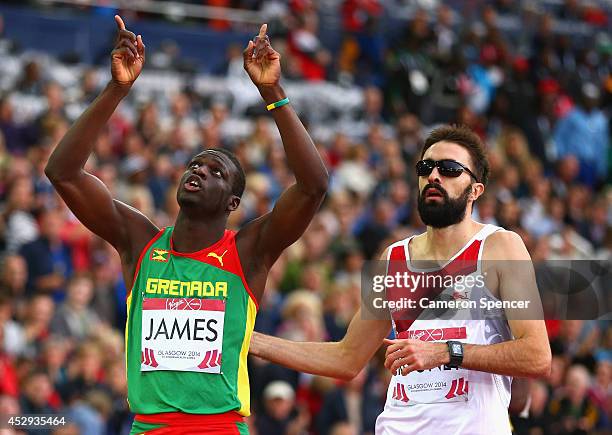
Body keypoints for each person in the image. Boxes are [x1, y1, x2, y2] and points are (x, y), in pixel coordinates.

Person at [44, 16, 328, 435]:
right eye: (195, 164)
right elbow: (63, 173)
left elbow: (313, 185)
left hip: (220, 427)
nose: (198, 170)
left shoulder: (249, 251)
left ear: (233, 202)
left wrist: (273, 93)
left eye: (216, 171)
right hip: (148, 426)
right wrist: (116, 90)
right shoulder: (139, 242)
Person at [249, 125, 551, 434]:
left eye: (449, 169)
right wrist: (251, 339)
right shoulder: (393, 259)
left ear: (475, 190)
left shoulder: (499, 246)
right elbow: (346, 357)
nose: (434, 176)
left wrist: (445, 351)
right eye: (426, 167)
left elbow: (537, 356)